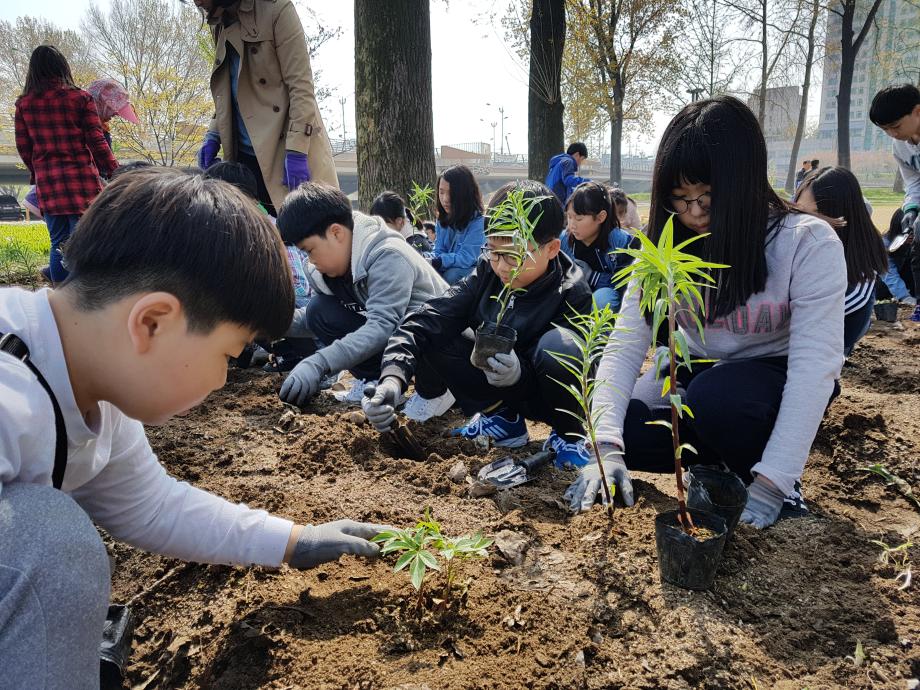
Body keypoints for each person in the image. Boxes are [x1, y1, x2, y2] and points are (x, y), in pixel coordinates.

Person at [0, 168, 385, 687]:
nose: (225, 376)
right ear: (152, 322)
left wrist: (297, 541)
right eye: (227, 354)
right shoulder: (10, 398)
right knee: (48, 544)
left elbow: (151, 504)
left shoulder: (94, 387)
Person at [567, 96, 847, 529]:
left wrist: (775, 482)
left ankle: (768, 474)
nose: (694, 213)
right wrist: (604, 451)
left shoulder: (806, 243)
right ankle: (716, 465)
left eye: (708, 196)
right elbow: (624, 347)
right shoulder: (663, 249)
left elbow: (815, 368)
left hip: (766, 380)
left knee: (718, 401)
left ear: (746, 183)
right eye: (680, 198)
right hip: (694, 374)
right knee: (628, 427)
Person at [364, 180, 597, 467]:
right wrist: (392, 377)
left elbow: (585, 371)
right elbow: (425, 319)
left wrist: (519, 375)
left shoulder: (572, 292)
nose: (501, 266)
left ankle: (569, 437)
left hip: (545, 397)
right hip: (496, 384)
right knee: (439, 328)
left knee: (557, 348)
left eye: (512, 256)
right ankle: (501, 418)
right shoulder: (487, 272)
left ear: (551, 248)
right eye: (493, 252)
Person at [276, 183, 451, 411]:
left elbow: (382, 325)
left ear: (336, 232)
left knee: (421, 325)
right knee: (319, 310)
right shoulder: (326, 272)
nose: (310, 261)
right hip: (400, 346)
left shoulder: (386, 254)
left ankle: (437, 392)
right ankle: (375, 381)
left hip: (443, 342)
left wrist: (319, 362)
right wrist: (270, 324)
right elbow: (313, 320)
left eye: (309, 250)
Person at [193, 0, 337, 215]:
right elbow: (229, 88)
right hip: (242, 157)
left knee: (301, 236)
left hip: (285, 153)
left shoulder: (277, 8)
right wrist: (213, 134)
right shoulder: (218, 21)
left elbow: (301, 86)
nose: (196, 2)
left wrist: (297, 150)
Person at [14, 46, 118, 284]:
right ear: (63, 67)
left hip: (49, 184)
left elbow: (23, 147)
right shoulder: (80, 98)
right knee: (85, 240)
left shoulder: (24, 105)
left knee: (58, 243)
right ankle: (84, 296)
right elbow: (97, 140)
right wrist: (115, 170)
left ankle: (61, 296)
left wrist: (38, 171)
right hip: (82, 182)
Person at [794, 167, 888, 356]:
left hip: (828, 341)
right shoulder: (796, 239)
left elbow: (849, 302)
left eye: (816, 213)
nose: (802, 222)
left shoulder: (859, 260)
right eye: (798, 211)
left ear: (842, 214)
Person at [870, 83, 920, 323]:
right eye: (885, 129)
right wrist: (911, 208)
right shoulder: (900, 146)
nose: (892, 134)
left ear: (917, 112)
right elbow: (913, 181)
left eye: (896, 126)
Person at [560, 181, 635, 312]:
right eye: (569, 217)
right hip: (575, 296)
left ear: (601, 217)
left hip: (605, 299)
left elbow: (626, 285)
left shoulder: (621, 242)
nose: (572, 225)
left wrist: (593, 277)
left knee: (602, 299)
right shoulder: (564, 240)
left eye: (578, 219)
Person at [429, 165, 486, 284]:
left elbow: (467, 258)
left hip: (471, 271)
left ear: (465, 193)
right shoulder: (442, 219)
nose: (445, 199)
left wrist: (440, 261)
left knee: (451, 276)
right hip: (449, 266)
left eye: (451, 193)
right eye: (441, 192)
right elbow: (438, 250)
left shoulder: (478, 222)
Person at [85, 77, 141, 151]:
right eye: (111, 108)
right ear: (99, 105)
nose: (116, 114)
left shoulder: (103, 128)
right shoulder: (89, 131)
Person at [876, 208, 917, 304]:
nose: (911, 236)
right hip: (884, 286)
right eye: (908, 232)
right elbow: (889, 275)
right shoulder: (884, 244)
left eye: (915, 231)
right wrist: (905, 297)